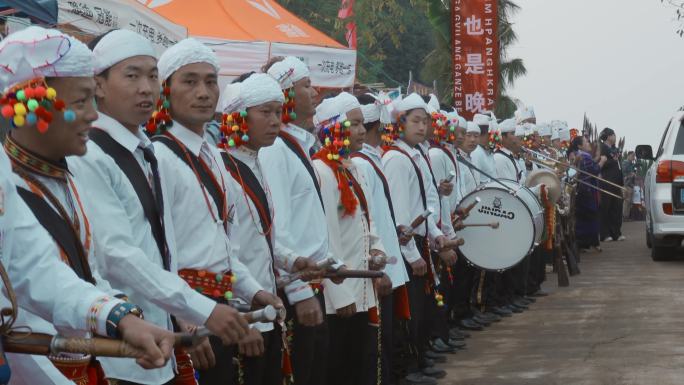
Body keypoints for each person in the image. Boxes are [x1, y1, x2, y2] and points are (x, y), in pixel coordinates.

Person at [68, 29, 246, 385]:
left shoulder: (145, 149)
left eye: (152, 76)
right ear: (98, 85)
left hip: (158, 337)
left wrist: (184, 314)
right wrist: (200, 307)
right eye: (131, 75)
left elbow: (165, 246)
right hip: (121, 347)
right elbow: (117, 253)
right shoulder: (92, 154)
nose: (146, 88)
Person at [0, 25, 175, 384]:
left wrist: (119, 316)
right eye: (81, 102)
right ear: (31, 104)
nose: (93, 115)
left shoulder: (50, 177)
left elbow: (37, 270)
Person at [150, 38, 280, 385]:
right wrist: (185, 320)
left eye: (210, 81)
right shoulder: (158, 157)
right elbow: (160, 252)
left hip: (221, 304)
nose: (204, 92)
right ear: (166, 90)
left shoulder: (212, 156)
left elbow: (225, 245)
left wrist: (253, 291)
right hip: (188, 310)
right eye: (189, 81)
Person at [261, 56, 335, 385]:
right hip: (297, 289)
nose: (316, 92)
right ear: (288, 94)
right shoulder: (275, 148)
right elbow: (278, 227)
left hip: (312, 281)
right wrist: (299, 290)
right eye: (307, 85)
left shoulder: (298, 145)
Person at [312, 92, 386, 385]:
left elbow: (368, 221)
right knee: (340, 366)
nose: (360, 130)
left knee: (361, 361)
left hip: (362, 284)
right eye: (353, 123)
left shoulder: (352, 166)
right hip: (340, 294)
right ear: (331, 127)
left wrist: (377, 250)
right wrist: (338, 292)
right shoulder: (322, 171)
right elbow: (326, 236)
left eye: (360, 123)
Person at [218, 72, 286, 385]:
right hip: (244, 314)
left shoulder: (256, 162)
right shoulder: (222, 168)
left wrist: (293, 261)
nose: (275, 121)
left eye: (278, 112)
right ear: (240, 117)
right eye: (265, 112)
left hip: (266, 305)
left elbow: (262, 238)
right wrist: (243, 320)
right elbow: (224, 251)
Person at [383, 93, 448, 384]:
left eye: (425, 122)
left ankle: (419, 360)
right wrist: (412, 254)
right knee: (409, 311)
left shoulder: (415, 154)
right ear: (400, 124)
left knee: (422, 308)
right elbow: (400, 216)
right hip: (407, 248)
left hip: (421, 242)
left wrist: (436, 235)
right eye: (416, 121)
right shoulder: (396, 159)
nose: (422, 128)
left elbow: (427, 204)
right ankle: (409, 367)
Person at [351, 92, 411, 385]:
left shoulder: (372, 160)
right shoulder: (362, 164)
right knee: (379, 339)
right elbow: (368, 223)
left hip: (387, 260)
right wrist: (381, 267)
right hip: (379, 265)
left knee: (389, 334)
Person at [569, 136, 604, 251]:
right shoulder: (584, 157)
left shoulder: (581, 155)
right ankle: (592, 242)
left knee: (583, 218)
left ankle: (584, 244)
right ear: (579, 146)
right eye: (586, 142)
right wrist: (602, 161)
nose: (588, 143)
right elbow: (594, 170)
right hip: (586, 191)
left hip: (582, 190)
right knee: (591, 217)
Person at [598, 127, 625, 242]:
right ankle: (605, 234)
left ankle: (616, 233)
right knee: (606, 208)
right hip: (606, 182)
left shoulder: (615, 149)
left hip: (617, 183)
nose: (615, 136)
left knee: (617, 208)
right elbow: (600, 163)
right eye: (613, 134)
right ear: (608, 136)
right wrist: (611, 160)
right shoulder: (602, 148)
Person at [622, 151, 636, 220]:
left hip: (631, 185)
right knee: (626, 201)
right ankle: (624, 216)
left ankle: (627, 216)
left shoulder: (631, 164)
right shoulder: (625, 163)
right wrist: (631, 174)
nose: (634, 158)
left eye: (634, 156)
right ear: (629, 155)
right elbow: (624, 173)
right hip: (626, 184)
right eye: (633, 156)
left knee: (629, 201)